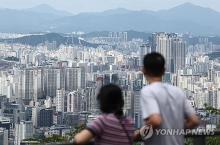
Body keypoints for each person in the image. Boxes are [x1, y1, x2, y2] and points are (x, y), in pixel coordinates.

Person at [139, 52, 199, 145]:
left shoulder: (148, 91)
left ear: (144, 70)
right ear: (164, 71)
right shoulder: (178, 91)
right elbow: (194, 121)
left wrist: (139, 134)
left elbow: (155, 120)